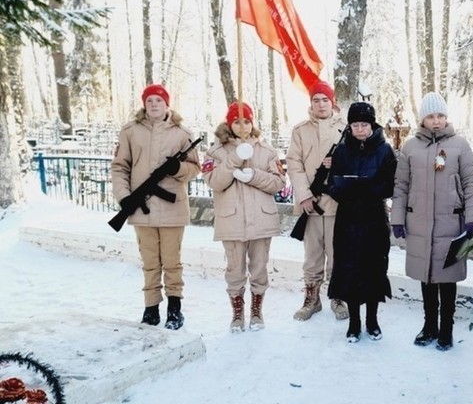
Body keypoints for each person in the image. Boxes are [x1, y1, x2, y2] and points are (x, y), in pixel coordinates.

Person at [391, 92, 473, 351]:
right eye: (431, 116)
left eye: (440, 115)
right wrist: (397, 218)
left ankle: (446, 329)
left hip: (450, 223)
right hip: (419, 223)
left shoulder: (460, 146)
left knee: (447, 278)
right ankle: (429, 325)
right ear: (423, 119)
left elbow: (471, 183)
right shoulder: (410, 147)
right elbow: (401, 185)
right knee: (426, 277)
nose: (437, 121)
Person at [111, 84, 200, 330]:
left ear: (166, 104)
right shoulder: (130, 131)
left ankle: (174, 309)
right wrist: (124, 197)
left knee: (172, 261)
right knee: (150, 261)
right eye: (149, 101)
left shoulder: (182, 132)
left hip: (173, 207)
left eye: (158, 101)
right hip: (140, 207)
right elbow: (120, 167)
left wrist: (178, 169)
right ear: (144, 104)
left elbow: (195, 167)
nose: (153, 105)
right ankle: (151, 309)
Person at [201, 102, 285, 332]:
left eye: (246, 121)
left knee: (259, 267)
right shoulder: (215, 152)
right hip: (232, 220)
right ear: (229, 123)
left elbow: (278, 182)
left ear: (252, 123)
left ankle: (257, 312)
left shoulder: (266, 151)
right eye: (237, 121)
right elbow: (214, 182)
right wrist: (234, 159)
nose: (242, 126)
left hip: (261, 219)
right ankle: (237, 314)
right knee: (235, 270)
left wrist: (254, 175)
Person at [326, 102, 397, 342]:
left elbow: (391, 183)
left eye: (364, 124)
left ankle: (372, 321)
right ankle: (354, 322)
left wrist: (370, 189)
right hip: (348, 218)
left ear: (372, 125)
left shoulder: (385, 150)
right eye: (355, 124)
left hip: (374, 217)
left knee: (374, 268)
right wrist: (345, 190)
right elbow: (332, 183)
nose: (359, 129)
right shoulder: (342, 150)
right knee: (350, 269)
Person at [286, 80, 349, 322]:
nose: (321, 104)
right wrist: (304, 195)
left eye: (325, 99)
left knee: (337, 254)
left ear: (333, 102)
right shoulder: (300, 130)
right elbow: (294, 163)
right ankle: (311, 299)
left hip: (336, 203)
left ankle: (338, 296)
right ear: (310, 103)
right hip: (310, 204)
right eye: (316, 100)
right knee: (312, 255)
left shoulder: (345, 128)